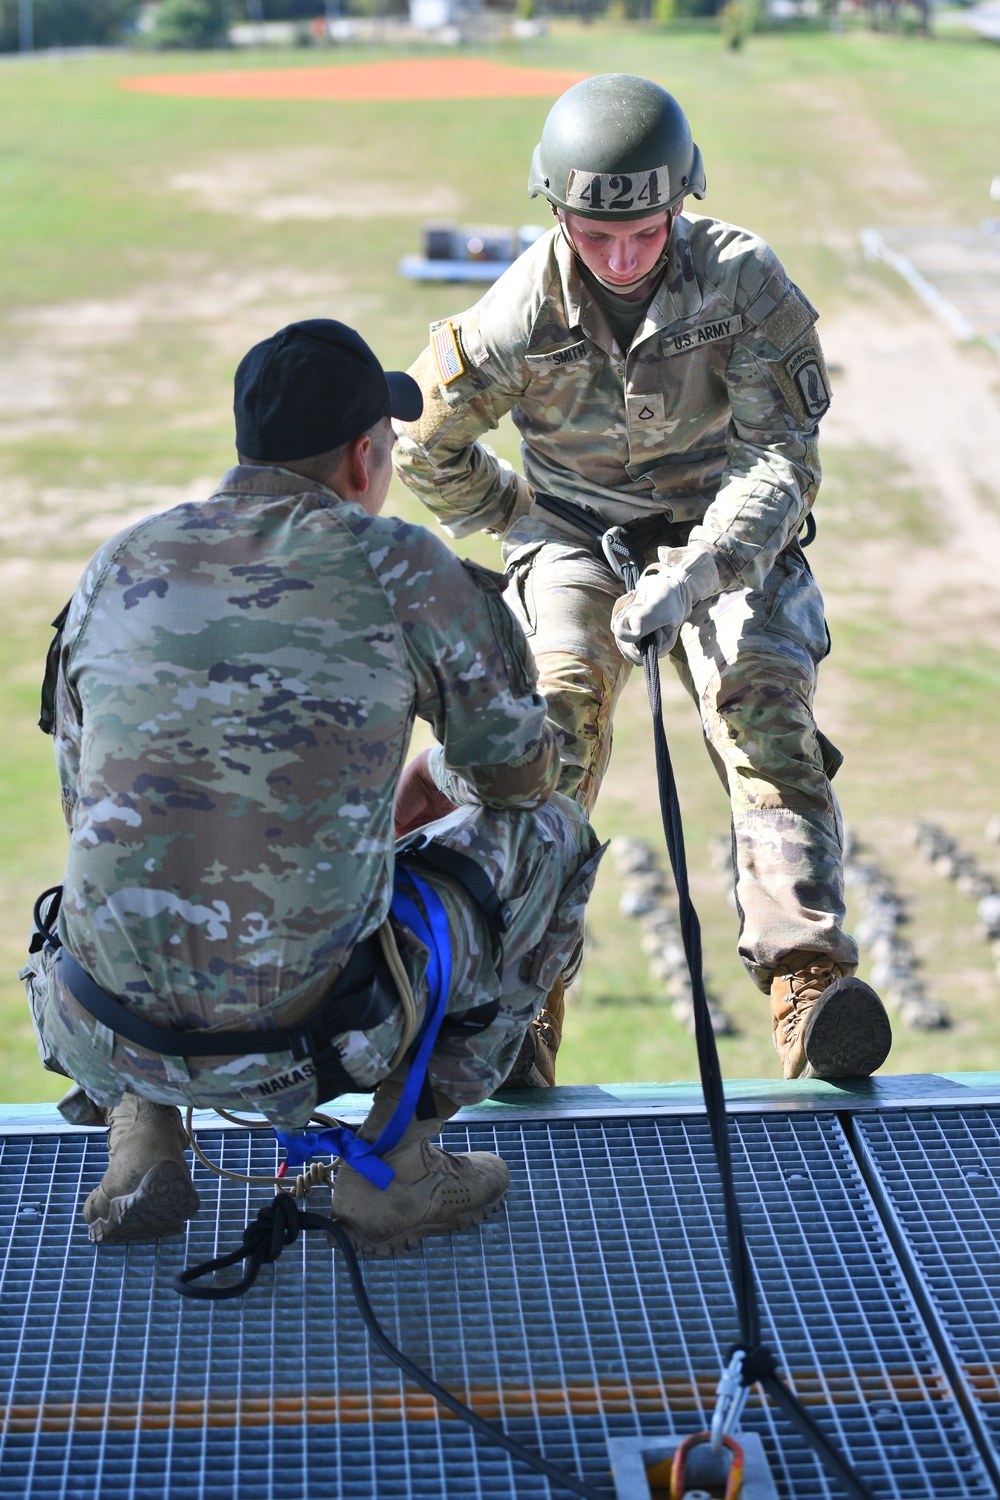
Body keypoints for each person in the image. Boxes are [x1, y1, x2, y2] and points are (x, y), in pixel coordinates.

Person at [23, 318, 602, 1252]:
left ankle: (145, 1128)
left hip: (97, 1018)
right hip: (315, 1040)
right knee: (555, 837)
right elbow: (519, 774)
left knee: (138, 858)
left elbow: (83, 794)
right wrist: (425, 779)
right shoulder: (401, 566)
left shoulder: (119, 563)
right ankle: (397, 1168)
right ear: (364, 455)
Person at [393, 73, 892, 1087]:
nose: (620, 259)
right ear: (556, 213)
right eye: (594, 236)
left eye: (646, 234)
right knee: (550, 726)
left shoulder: (742, 283)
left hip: (724, 538)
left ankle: (806, 980)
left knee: (758, 703)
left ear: (683, 205)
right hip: (576, 538)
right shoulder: (518, 312)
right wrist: (517, 521)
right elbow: (426, 443)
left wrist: (704, 567)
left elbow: (781, 460)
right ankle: (521, 1002)